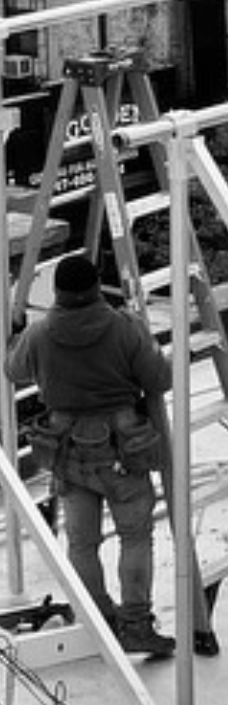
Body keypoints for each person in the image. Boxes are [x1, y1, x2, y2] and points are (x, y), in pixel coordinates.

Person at [7, 252, 175, 659]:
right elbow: (159, 379)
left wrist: (15, 333)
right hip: (123, 449)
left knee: (82, 544)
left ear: (58, 293)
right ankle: (135, 625)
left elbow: (14, 371)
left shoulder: (41, 334)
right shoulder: (124, 328)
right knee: (136, 536)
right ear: (97, 286)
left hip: (67, 452)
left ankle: (100, 622)